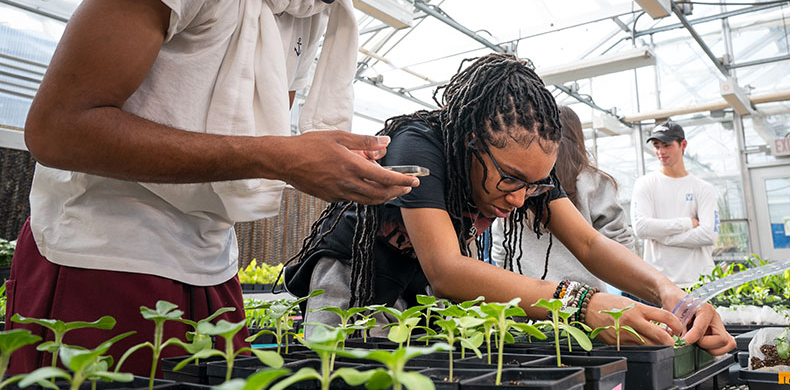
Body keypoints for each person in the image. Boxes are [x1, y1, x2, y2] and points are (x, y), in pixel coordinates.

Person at [7, 0, 452, 376]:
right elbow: (58, 128)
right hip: (101, 259)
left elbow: (251, 139)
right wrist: (278, 157)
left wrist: (303, 153)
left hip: (212, 267)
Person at [284, 54, 735, 354]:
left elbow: (591, 245)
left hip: (412, 286)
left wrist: (672, 294)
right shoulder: (418, 144)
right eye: (510, 179)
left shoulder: (526, 177)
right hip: (353, 272)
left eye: (534, 186)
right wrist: (578, 303)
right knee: (341, 368)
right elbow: (447, 270)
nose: (520, 198)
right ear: (470, 142)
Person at [490, 105, 634, 288]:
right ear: (578, 136)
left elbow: (500, 248)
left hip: (527, 301)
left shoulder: (519, 182)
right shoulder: (594, 182)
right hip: (584, 303)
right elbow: (620, 245)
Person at [630, 121, 719, 288]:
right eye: (656, 146)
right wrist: (686, 223)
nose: (660, 152)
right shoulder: (645, 184)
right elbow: (641, 227)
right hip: (659, 283)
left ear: (683, 145)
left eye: (667, 145)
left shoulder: (703, 188)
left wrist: (665, 237)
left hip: (699, 281)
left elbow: (708, 234)